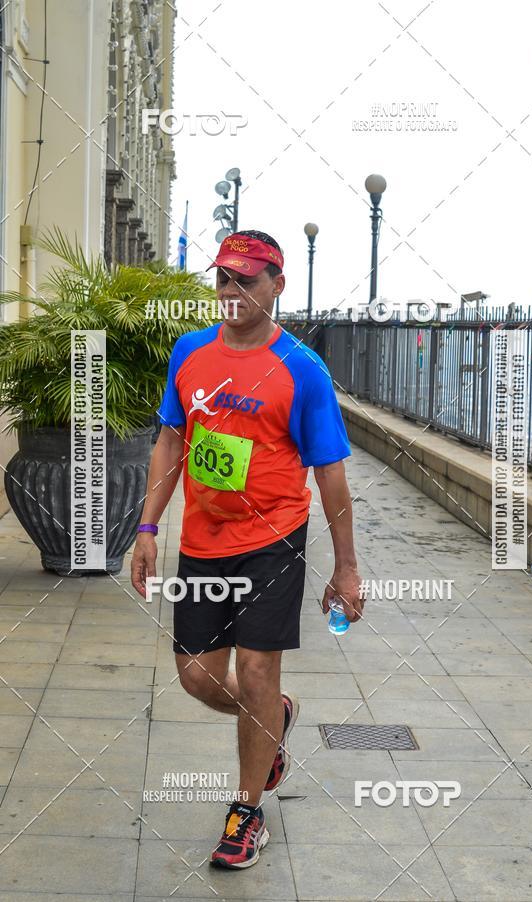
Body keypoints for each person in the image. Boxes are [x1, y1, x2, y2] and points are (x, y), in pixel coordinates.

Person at [131, 230, 363, 869]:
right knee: (198, 677)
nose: (232, 292)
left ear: (277, 285)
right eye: (224, 280)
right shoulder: (190, 350)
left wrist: (345, 567)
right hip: (204, 538)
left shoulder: (302, 369)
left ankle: (246, 811)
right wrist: (148, 530)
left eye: (248, 280)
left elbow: (332, 473)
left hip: (273, 538)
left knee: (258, 669)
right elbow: (171, 443)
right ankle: (274, 717)